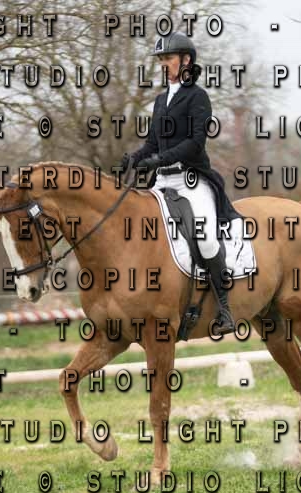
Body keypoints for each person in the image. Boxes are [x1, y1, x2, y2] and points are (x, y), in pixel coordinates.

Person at [118, 34, 240, 335]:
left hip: (191, 180)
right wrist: (134, 158)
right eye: (160, 60)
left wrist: (160, 159)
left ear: (186, 61)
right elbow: (152, 143)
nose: (163, 64)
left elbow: (196, 142)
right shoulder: (161, 100)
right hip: (162, 182)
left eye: (168, 59)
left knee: (206, 239)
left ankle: (225, 310)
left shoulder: (197, 97)